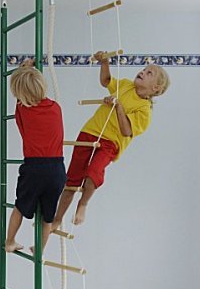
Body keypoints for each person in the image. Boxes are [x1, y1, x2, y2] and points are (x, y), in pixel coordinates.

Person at [51, 51, 170, 230]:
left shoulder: (145, 111)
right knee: (72, 181)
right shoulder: (126, 85)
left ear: (156, 88)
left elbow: (126, 130)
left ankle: (83, 204)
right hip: (89, 132)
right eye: (144, 69)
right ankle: (57, 219)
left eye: (149, 73)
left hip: (110, 143)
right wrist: (105, 62)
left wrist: (118, 106)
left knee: (93, 172)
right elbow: (106, 81)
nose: (142, 72)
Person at [5, 60, 67, 254]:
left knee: (20, 207)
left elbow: (22, 98)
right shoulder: (56, 108)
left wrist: (23, 68)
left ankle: (10, 241)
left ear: (19, 94)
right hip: (57, 169)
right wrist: (29, 72)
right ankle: (39, 249)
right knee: (47, 217)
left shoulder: (23, 110)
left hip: (33, 168)